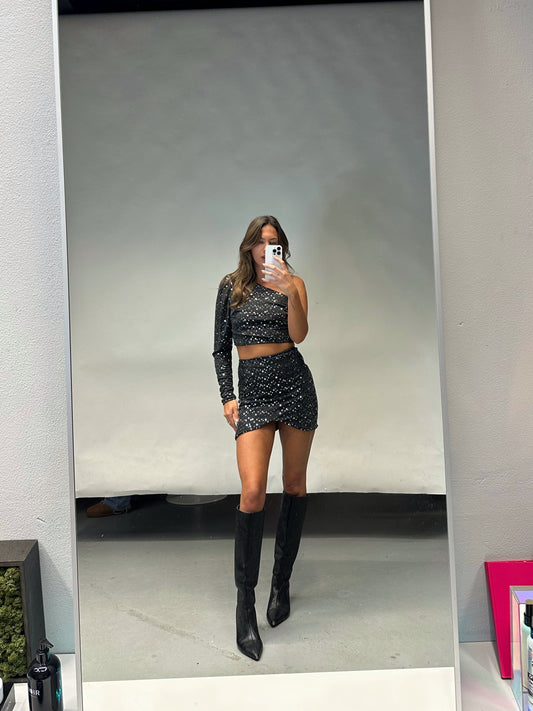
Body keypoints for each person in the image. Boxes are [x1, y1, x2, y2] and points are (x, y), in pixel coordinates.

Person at [213, 216, 318, 661]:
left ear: (282, 247)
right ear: (249, 246)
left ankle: (281, 584)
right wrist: (227, 396)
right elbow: (221, 346)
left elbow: (299, 335)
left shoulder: (294, 284)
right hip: (253, 393)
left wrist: (290, 290)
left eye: (273, 242)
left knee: (294, 484)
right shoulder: (231, 286)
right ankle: (245, 606)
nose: (266, 248)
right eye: (260, 241)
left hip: (294, 386)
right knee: (253, 491)